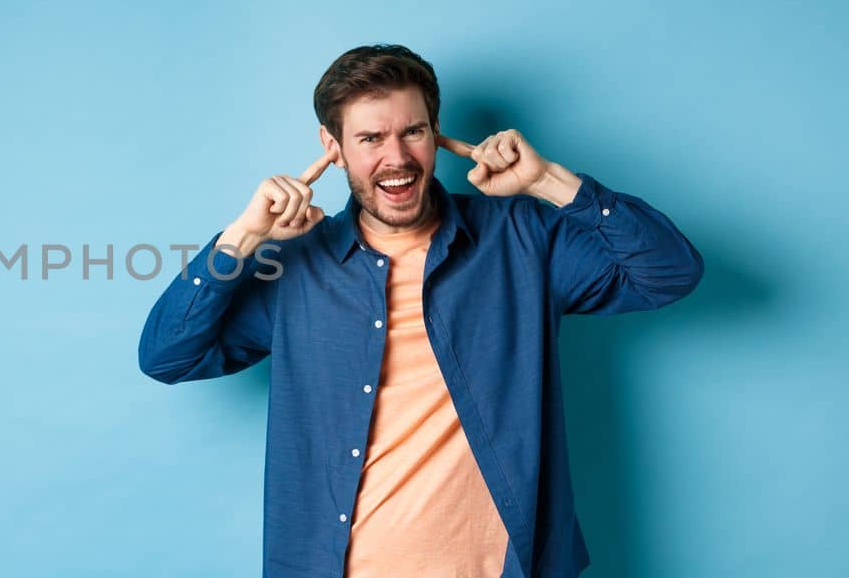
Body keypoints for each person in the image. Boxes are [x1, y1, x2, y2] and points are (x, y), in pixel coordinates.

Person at [137, 44, 703, 578]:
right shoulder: (297, 268)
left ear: (437, 133)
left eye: (413, 131)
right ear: (332, 148)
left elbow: (670, 272)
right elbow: (167, 355)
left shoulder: (521, 238)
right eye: (370, 138)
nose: (397, 158)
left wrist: (547, 182)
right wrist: (242, 236)